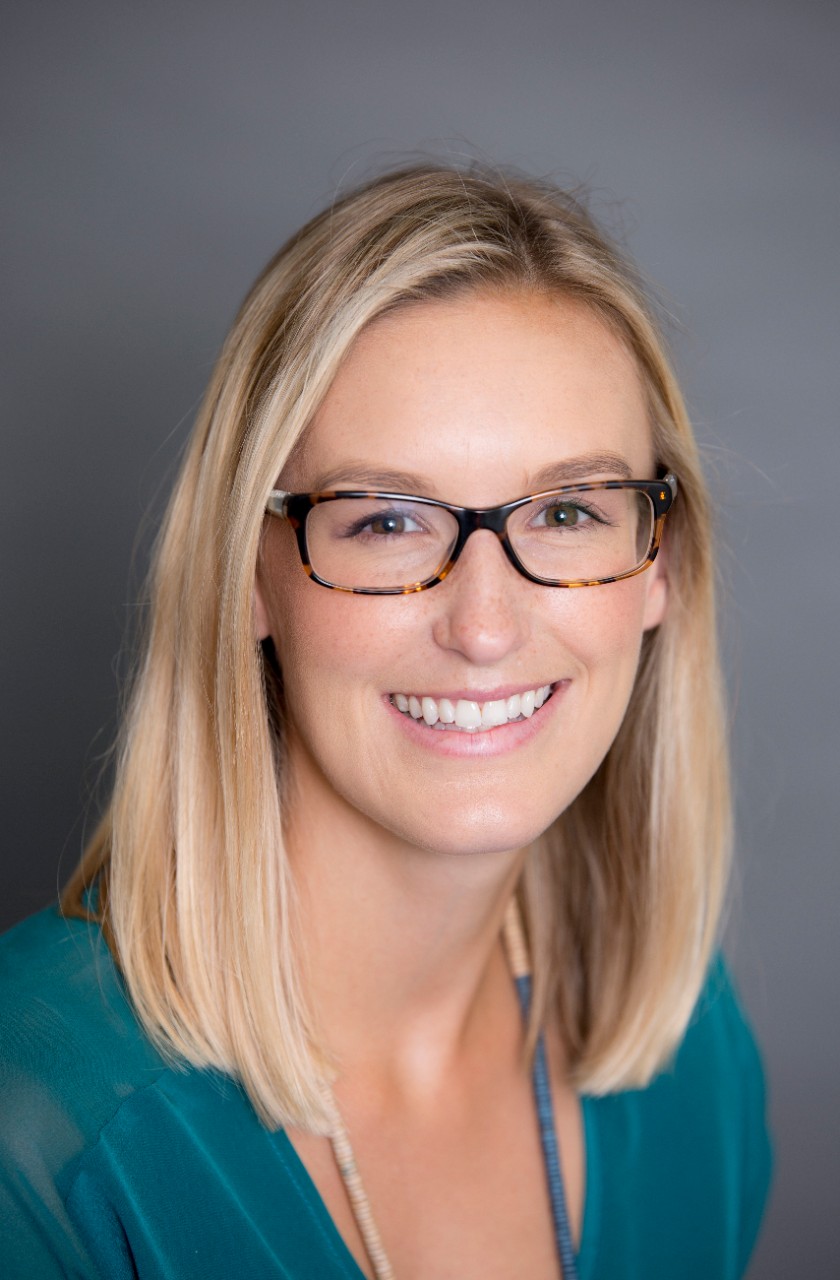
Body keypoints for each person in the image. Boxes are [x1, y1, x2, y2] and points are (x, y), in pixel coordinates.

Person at [0, 165, 772, 1279]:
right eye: (388, 520)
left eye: (566, 512)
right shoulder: (38, 1128)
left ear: (662, 567)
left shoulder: (692, 1050)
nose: (486, 623)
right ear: (249, 580)